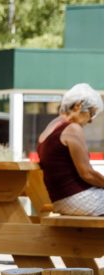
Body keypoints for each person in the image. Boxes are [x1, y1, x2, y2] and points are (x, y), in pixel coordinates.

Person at [36, 83, 104, 215]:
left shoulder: (50, 128)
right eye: (91, 113)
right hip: (78, 198)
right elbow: (87, 174)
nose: (91, 121)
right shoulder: (73, 129)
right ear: (79, 105)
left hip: (60, 200)